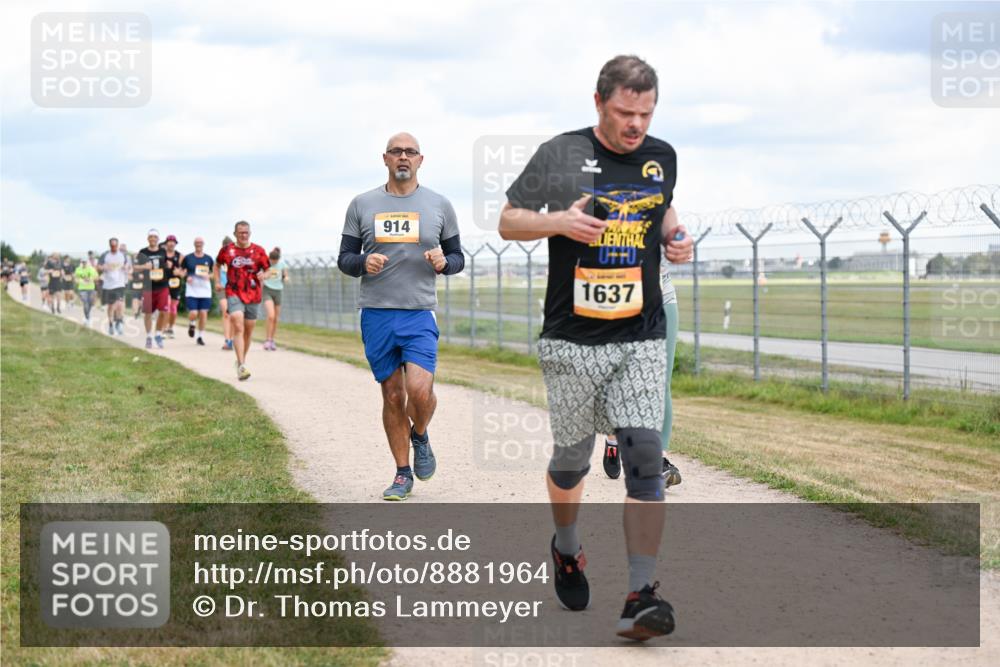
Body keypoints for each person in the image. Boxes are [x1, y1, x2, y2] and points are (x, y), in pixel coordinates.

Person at [498, 55, 693, 641]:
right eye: (624, 112)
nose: (635, 124)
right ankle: (565, 548)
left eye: (646, 112)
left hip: (641, 332)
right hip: (572, 337)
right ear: (598, 102)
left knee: (642, 457)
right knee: (571, 460)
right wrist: (559, 223)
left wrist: (676, 237)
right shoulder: (561, 154)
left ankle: (641, 594)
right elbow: (508, 222)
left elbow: (663, 212)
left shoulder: (662, 156)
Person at [337, 132, 464, 501]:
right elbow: (345, 258)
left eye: (410, 152)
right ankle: (401, 473)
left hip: (418, 312)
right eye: (396, 152)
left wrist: (445, 263)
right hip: (376, 314)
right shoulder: (362, 204)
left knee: (420, 391)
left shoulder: (439, 204)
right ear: (385, 159)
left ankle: (420, 433)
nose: (403, 157)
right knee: (393, 396)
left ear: (421, 160)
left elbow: (458, 257)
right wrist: (363, 261)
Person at [602, 247, 683, 487]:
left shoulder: (660, 208)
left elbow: (674, 238)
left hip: (662, 297)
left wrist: (679, 244)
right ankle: (613, 439)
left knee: (661, 381)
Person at [215, 221, 269, 380]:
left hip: (253, 294)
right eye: (240, 233)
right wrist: (217, 281)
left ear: (250, 233)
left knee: (248, 329)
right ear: (235, 234)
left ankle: (240, 362)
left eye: (246, 232)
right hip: (233, 291)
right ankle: (242, 364)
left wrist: (264, 275)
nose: (244, 235)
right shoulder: (227, 250)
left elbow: (268, 269)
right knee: (237, 323)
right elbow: (217, 265)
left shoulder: (259, 251)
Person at [135, 229, 171, 349]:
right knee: (148, 313)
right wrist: (144, 266)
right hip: (148, 287)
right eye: (151, 237)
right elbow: (135, 267)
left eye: (155, 237)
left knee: (164, 311)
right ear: (148, 238)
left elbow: (167, 264)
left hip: (162, 285)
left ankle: (158, 334)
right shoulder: (143, 252)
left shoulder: (163, 251)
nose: (153, 239)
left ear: (158, 239)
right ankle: (149, 336)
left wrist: (169, 266)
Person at [181, 237, 214, 346]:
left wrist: (209, 276)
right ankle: (192, 323)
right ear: (194, 244)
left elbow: (214, 273)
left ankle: (200, 336)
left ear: (203, 244)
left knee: (203, 313)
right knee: (194, 313)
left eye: (200, 243)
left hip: (205, 290)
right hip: (192, 290)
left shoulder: (209, 258)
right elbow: (181, 272)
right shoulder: (188, 258)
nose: (198, 244)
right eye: (197, 243)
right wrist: (186, 277)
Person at [99, 237, 130, 335]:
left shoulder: (123, 255)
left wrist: (126, 268)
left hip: (120, 284)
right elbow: (98, 266)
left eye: (115, 245)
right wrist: (103, 267)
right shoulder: (105, 255)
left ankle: (119, 323)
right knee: (111, 306)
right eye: (112, 246)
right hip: (108, 285)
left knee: (120, 304)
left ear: (117, 245)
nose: (114, 247)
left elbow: (128, 267)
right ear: (110, 245)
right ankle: (111, 324)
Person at [262, 247, 289, 350]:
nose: (273, 262)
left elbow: (285, 274)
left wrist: (286, 278)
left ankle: (272, 340)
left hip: (278, 291)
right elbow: (262, 274)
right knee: (271, 316)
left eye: (275, 261)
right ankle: (267, 340)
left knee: (276, 318)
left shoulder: (282, 264)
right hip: (267, 290)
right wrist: (265, 276)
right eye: (272, 261)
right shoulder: (266, 263)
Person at [162, 235, 185, 338]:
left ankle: (171, 328)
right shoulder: (162, 255)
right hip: (164, 283)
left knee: (173, 307)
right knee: (166, 305)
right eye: (169, 241)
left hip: (175, 284)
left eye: (173, 242)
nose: (171, 243)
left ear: (176, 244)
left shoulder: (180, 256)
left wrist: (179, 272)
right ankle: (163, 328)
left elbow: (184, 272)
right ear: (166, 243)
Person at [217, 236, 234, 351]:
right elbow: (215, 271)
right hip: (222, 289)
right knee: (226, 313)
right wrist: (217, 282)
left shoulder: (236, 258)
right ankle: (227, 340)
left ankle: (232, 339)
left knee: (233, 315)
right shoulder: (218, 258)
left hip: (234, 289)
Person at [74, 258, 99, 326]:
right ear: (81, 262)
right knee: (85, 302)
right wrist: (78, 281)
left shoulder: (91, 269)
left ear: (87, 262)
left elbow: (97, 277)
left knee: (90, 303)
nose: (84, 263)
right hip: (82, 289)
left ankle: (87, 315)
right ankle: (88, 318)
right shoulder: (78, 269)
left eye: (85, 262)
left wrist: (90, 279)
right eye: (82, 262)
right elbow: (75, 278)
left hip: (91, 288)